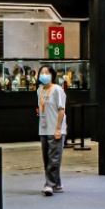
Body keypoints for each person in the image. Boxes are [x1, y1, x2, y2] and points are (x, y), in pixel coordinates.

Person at [37, 63, 66, 196]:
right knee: (47, 158)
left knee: (54, 158)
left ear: (52, 75)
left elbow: (61, 109)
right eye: (41, 73)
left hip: (55, 128)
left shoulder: (57, 90)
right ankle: (57, 185)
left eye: (47, 73)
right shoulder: (39, 90)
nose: (44, 75)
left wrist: (58, 128)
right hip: (44, 128)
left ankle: (49, 185)